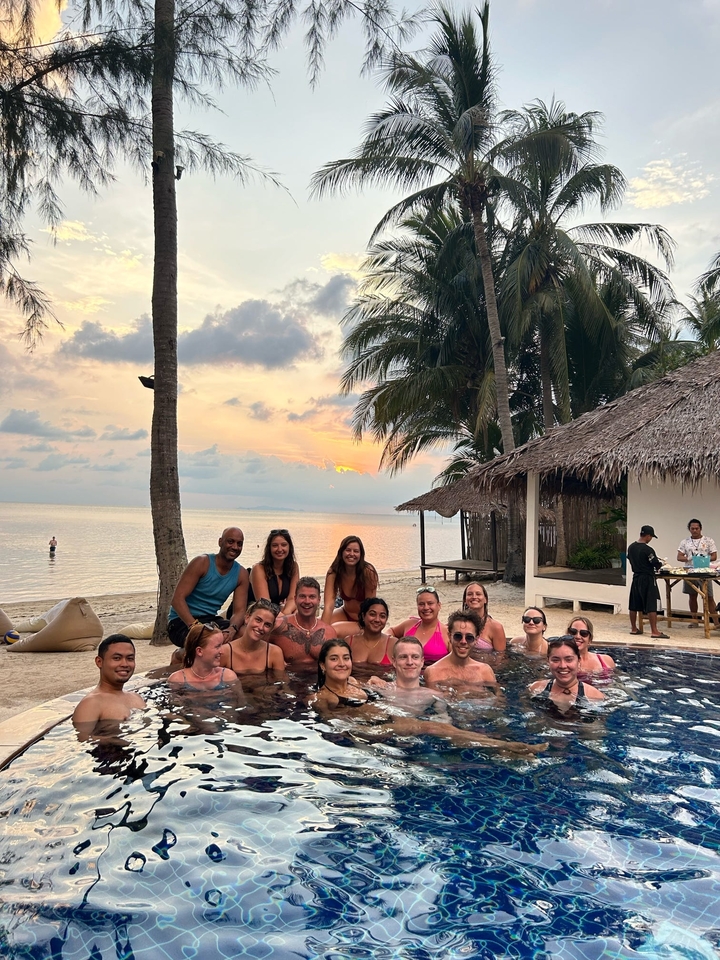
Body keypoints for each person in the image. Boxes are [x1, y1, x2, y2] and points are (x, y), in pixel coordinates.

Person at [311, 639, 546, 755]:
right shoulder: (323, 697)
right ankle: (506, 747)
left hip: (388, 720)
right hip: (376, 728)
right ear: (322, 665)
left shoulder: (356, 683)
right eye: (334, 659)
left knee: (443, 729)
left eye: (345, 658)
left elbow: (365, 688)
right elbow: (334, 724)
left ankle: (504, 748)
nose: (342, 663)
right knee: (435, 728)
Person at [167, 527, 249, 648]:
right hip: (181, 622)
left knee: (245, 633)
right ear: (220, 542)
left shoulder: (241, 574)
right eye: (230, 541)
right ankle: (180, 655)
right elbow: (177, 599)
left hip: (210, 620)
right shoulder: (202, 563)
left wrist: (232, 629)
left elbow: (239, 611)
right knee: (209, 640)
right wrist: (195, 626)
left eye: (239, 544)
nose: (235, 547)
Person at [72, 635, 146, 734]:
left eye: (130, 658)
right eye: (117, 658)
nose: (124, 664)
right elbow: (82, 740)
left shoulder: (137, 698)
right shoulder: (91, 703)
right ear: (99, 662)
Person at [528, 636, 605, 714]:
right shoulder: (535, 689)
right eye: (555, 660)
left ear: (578, 661)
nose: (562, 666)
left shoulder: (595, 697)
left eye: (569, 660)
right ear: (548, 662)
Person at [269, 576, 337, 663]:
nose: (307, 601)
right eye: (302, 596)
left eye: (312, 597)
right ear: (295, 599)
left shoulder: (329, 633)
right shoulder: (278, 626)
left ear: (319, 600)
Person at [424, 611, 498, 687]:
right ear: (449, 636)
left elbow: (497, 694)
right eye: (458, 636)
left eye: (469, 637)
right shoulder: (433, 672)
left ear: (476, 640)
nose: (463, 641)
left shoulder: (484, 671)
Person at [322, 536, 379, 634]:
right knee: (316, 625)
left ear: (361, 554)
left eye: (356, 551)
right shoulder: (334, 571)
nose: (352, 554)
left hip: (363, 621)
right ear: (341, 552)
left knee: (333, 630)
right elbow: (328, 606)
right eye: (348, 550)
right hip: (344, 612)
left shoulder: (368, 572)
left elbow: (370, 606)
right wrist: (321, 629)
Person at [219, 599, 285, 673]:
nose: (261, 627)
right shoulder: (225, 652)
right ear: (247, 618)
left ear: (271, 629)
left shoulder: (274, 653)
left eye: (267, 625)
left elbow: (282, 680)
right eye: (258, 620)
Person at [168, 623, 239, 690]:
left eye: (221, 645)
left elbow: (240, 699)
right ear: (199, 651)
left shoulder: (228, 677)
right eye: (217, 646)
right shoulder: (177, 680)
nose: (222, 652)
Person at [676, 519, 719, 628]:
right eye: (692, 529)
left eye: (697, 528)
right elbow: (679, 557)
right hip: (690, 571)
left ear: (700, 529)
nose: (695, 530)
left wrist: (704, 558)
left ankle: (716, 621)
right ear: (689, 529)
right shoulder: (685, 542)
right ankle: (694, 620)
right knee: (692, 595)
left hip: (704, 572)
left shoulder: (708, 540)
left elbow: (714, 556)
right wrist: (688, 558)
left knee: (709, 597)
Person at [390, 586, 450, 663]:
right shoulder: (409, 624)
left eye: (430, 603)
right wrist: (395, 647)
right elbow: (391, 631)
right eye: (421, 604)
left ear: (439, 606)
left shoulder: (447, 633)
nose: (426, 607)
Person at [627, 525, 668, 638]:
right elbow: (655, 563)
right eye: (651, 537)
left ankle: (634, 628)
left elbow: (630, 559)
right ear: (648, 536)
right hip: (647, 578)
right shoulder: (648, 549)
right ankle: (654, 631)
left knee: (634, 603)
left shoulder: (631, 547)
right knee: (651, 604)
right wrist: (661, 564)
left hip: (636, 577)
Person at [247, 529, 299, 614]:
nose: (280, 549)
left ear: (289, 547)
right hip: (255, 612)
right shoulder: (259, 569)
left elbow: (292, 598)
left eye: (284, 545)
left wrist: (286, 613)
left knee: (298, 612)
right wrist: (284, 616)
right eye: (275, 545)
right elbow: (265, 604)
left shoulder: (293, 567)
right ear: (269, 548)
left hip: (278, 611)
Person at [566, 615, 615, 680]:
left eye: (584, 633)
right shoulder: (562, 662)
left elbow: (618, 682)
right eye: (573, 632)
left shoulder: (606, 660)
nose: (578, 636)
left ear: (590, 639)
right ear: (567, 635)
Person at [461, 581, 506, 651]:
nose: (474, 597)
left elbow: (501, 655)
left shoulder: (496, 627)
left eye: (478, 594)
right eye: (470, 594)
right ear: (465, 600)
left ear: (485, 599)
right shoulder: (457, 624)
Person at [349, 597, 395, 665]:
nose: (377, 620)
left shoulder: (393, 644)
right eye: (372, 614)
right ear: (363, 616)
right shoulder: (349, 642)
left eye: (382, 616)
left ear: (386, 619)